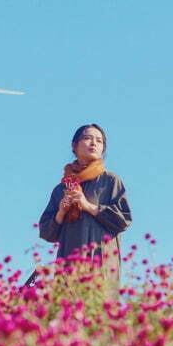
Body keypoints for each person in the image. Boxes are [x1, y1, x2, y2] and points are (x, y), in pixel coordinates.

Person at [37, 123, 132, 292]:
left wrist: (88, 206)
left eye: (99, 141)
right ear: (74, 146)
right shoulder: (62, 188)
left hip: (101, 266)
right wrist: (61, 212)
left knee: (100, 313)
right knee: (68, 313)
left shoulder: (110, 181)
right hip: (70, 266)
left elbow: (123, 219)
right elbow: (46, 232)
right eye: (88, 138)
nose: (94, 144)